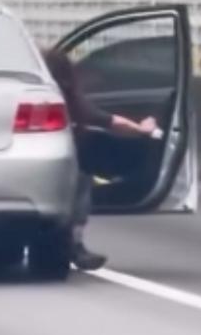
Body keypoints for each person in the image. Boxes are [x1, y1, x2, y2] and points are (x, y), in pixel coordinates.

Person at [42, 48, 160, 270]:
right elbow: (112, 122)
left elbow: (108, 120)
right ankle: (74, 244)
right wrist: (143, 129)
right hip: (60, 165)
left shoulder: (28, 96)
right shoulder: (70, 100)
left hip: (25, 165)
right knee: (81, 183)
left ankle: (67, 243)